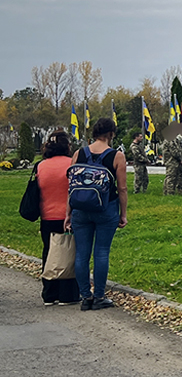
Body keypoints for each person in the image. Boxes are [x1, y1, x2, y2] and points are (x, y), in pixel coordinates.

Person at [67, 118, 127, 311]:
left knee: (81, 254)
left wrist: (68, 213)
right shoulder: (117, 156)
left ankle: (85, 296)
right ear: (111, 134)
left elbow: (71, 185)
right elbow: (122, 188)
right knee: (101, 252)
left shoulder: (79, 153)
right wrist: (123, 214)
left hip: (80, 210)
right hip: (106, 208)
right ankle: (99, 295)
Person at [34, 130, 80, 306]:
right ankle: (68, 293)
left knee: (49, 252)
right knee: (70, 252)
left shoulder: (40, 166)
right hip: (69, 215)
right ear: (67, 146)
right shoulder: (72, 164)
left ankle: (49, 293)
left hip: (47, 215)